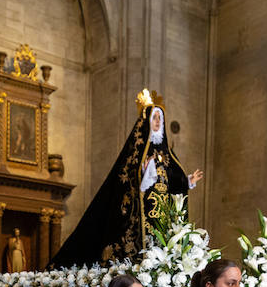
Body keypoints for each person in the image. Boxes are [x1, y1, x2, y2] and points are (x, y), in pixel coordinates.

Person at [50, 92, 203, 267]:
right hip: (141, 214)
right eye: (154, 118)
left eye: (160, 118)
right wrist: (145, 174)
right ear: (146, 121)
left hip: (162, 214)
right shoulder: (136, 151)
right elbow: (126, 180)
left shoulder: (167, 153)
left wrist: (187, 182)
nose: (158, 122)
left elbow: (174, 182)